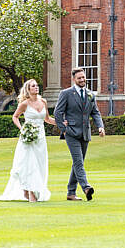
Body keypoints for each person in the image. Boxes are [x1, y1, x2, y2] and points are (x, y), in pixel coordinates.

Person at [0, 79, 56, 202]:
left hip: (40, 138)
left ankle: (28, 189)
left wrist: (60, 123)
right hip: (28, 138)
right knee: (29, 164)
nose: (36, 87)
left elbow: (47, 119)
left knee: (39, 164)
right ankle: (31, 192)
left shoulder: (43, 101)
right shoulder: (25, 104)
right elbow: (15, 117)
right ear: (28, 89)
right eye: (33, 86)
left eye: (37, 85)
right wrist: (22, 129)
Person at [53, 68, 104, 201]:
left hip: (85, 133)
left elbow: (95, 112)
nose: (82, 80)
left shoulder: (90, 94)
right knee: (78, 162)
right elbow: (57, 113)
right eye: (79, 78)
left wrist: (100, 126)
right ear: (74, 79)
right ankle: (86, 187)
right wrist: (63, 129)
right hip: (71, 133)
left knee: (77, 163)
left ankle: (71, 192)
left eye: (83, 77)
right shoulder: (66, 93)